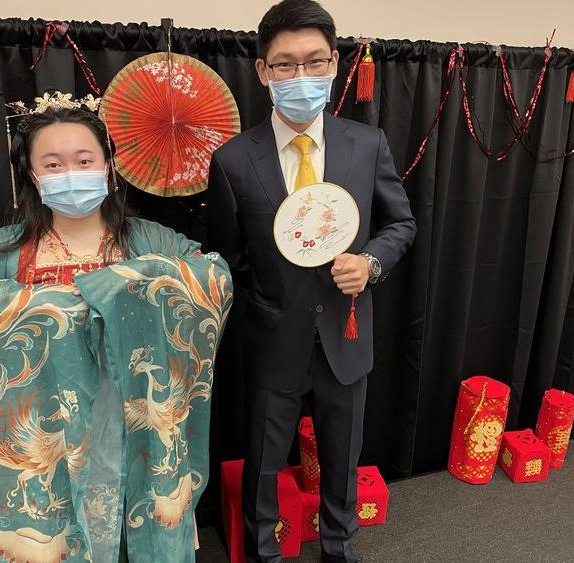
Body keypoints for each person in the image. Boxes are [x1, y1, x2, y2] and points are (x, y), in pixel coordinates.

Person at [0, 99, 232, 562]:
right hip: (53, 429)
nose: (70, 172)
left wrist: (126, 283)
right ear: (32, 176)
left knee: (146, 527)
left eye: (84, 160)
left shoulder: (153, 240)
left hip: (137, 422)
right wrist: (39, 303)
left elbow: (210, 274)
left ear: (108, 166)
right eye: (53, 163)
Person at [206, 1, 416, 561]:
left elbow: (401, 223)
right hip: (273, 337)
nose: (302, 77)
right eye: (285, 65)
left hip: (347, 334)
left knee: (342, 458)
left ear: (335, 64)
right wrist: (267, 299)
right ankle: (262, 552)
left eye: (315, 62)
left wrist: (370, 263)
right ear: (262, 71)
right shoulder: (231, 160)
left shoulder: (365, 144)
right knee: (262, 463)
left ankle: (338, 549)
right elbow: (228, 258)